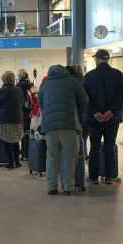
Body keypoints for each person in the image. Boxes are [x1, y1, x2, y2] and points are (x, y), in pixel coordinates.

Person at [38, 65, 88, 195]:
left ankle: (51, 187)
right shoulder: (73, 82)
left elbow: (41, 104)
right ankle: (68, 187)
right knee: (69, 157)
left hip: (50, 127)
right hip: (69, 125)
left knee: (52, 157)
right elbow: (84, 100)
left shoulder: (44, 84)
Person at [83, 49, 123, 185]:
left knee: (94, 146)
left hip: (93, 120)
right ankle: (110, 176)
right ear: (108, 59)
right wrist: (111, 112)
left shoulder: (89, 76)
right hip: (112, 119)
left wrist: (95, 113)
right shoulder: (118, 75)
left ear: (96, 60)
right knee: (109, 146)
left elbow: (84, 97)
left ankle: (93, 176)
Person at [0, 71, 25, 169]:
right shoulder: (19, 90)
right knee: (15, 141)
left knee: (7, 141)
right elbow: (22, 103)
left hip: (6, 119)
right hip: (17, 119)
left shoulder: (1, 91)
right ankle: (17, 161)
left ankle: (10, 162)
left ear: (4, 79)